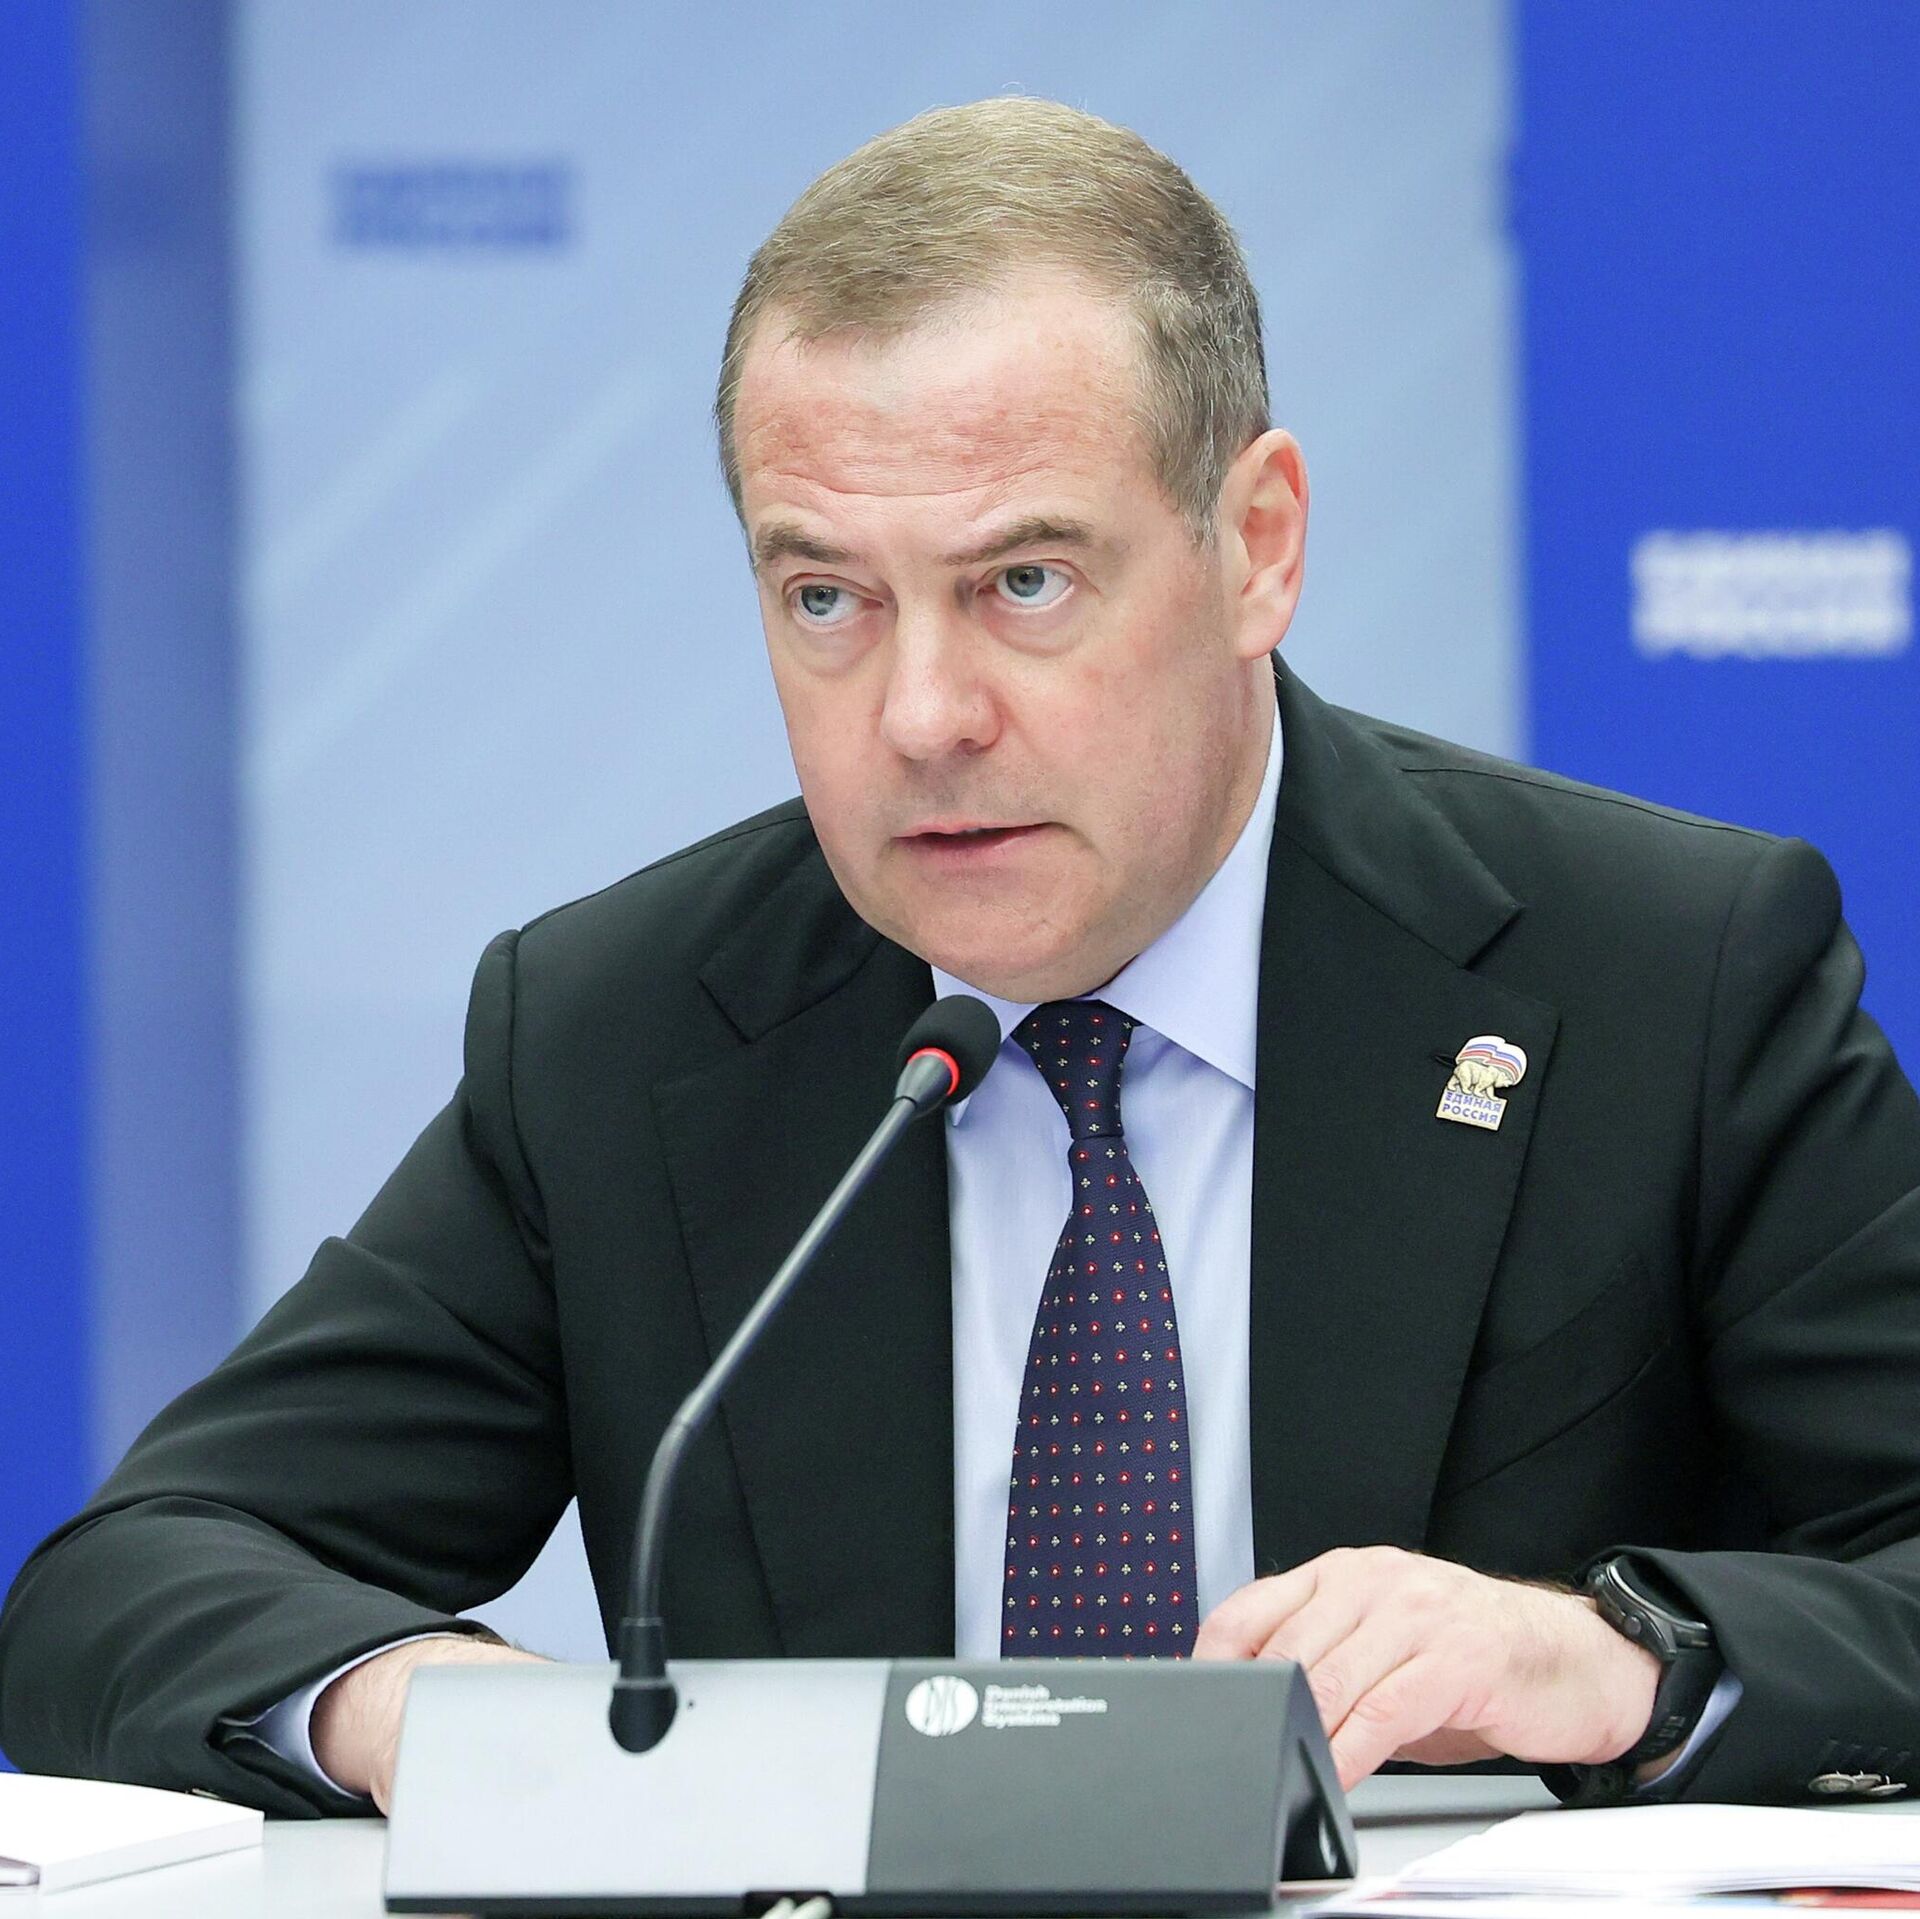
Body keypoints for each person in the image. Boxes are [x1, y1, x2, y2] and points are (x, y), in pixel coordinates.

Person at [5, 97, 1920, 1821]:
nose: (922, 716)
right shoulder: (626, 1033)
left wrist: (1608, 1659)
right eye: (825, 597)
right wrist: (432, 1716)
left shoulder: (1663, 976)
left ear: (1257, 546)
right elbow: (132, 1578)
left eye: (1024, 581)